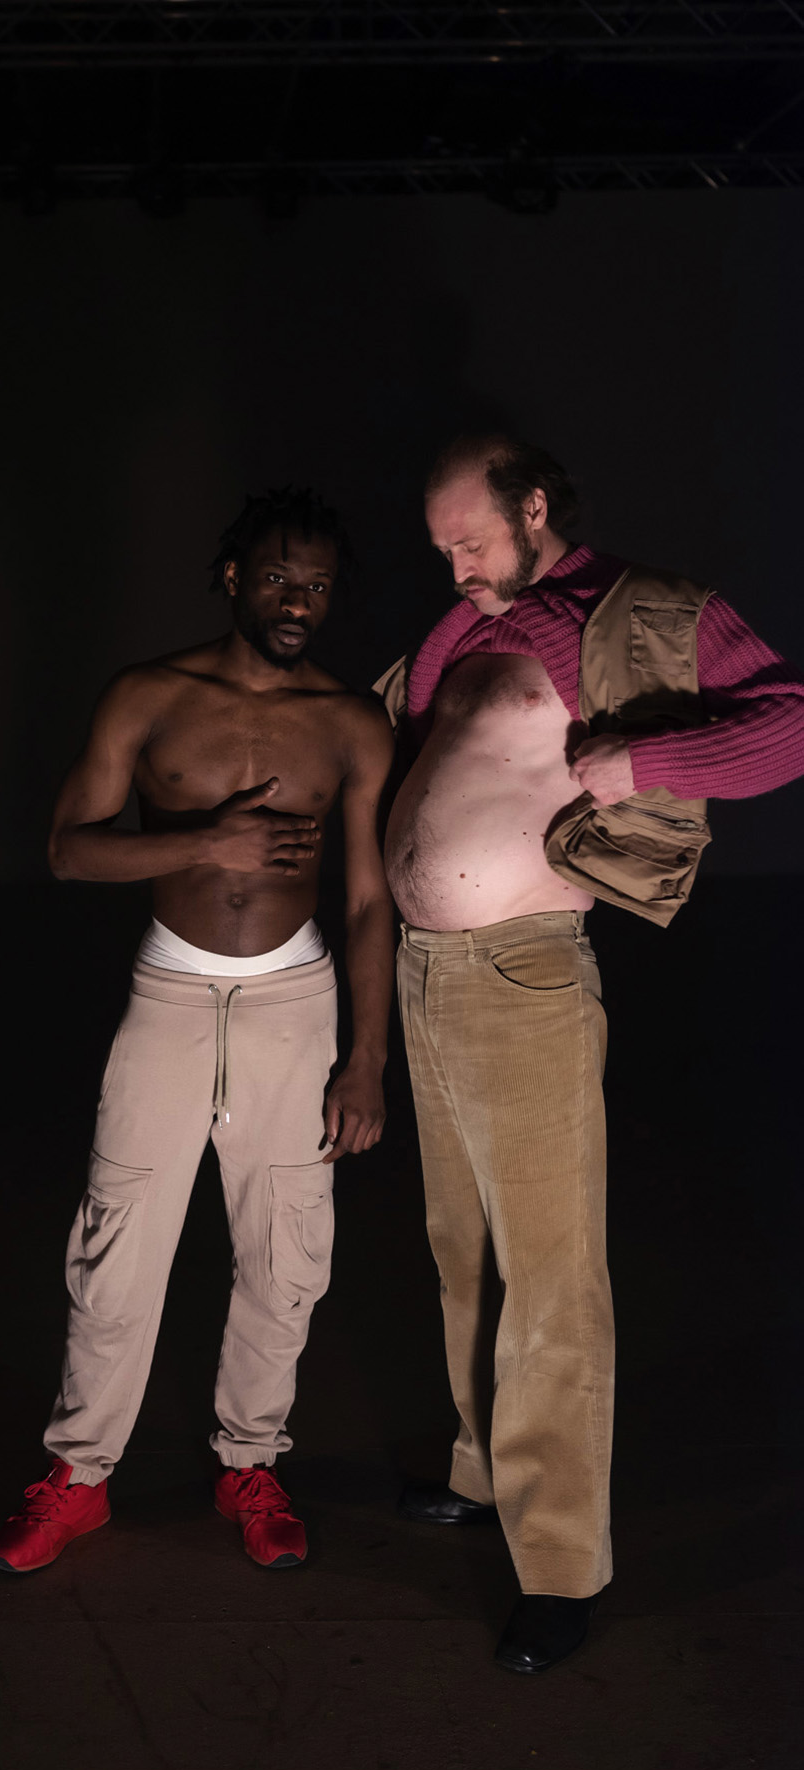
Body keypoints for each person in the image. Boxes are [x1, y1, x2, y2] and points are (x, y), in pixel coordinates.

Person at [380, 435, 804, 1673]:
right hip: (424, 973)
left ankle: (561, 1566)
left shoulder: (643, 609)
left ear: (533, 507)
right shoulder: (461, 629)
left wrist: (643, 762)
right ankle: (478, 1468)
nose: (455, 569)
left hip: (523, 978)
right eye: (439, 551)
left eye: (469, 542)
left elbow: (788, 724)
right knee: (461, 1254)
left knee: (550, 1281)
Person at [0, 488, 394, 1574]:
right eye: (276, 578)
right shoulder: (148, 695)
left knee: (286, 1252)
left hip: (294, 1004)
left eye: (316, 585)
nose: (296, 601)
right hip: (169, 994)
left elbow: (367, 899)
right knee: (117, 1247)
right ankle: (78, 1478)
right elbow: (68, 851)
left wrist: (365, 1058)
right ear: (231, 577)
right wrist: (205, 844)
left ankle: (250, 1464)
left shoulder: (352, 721)